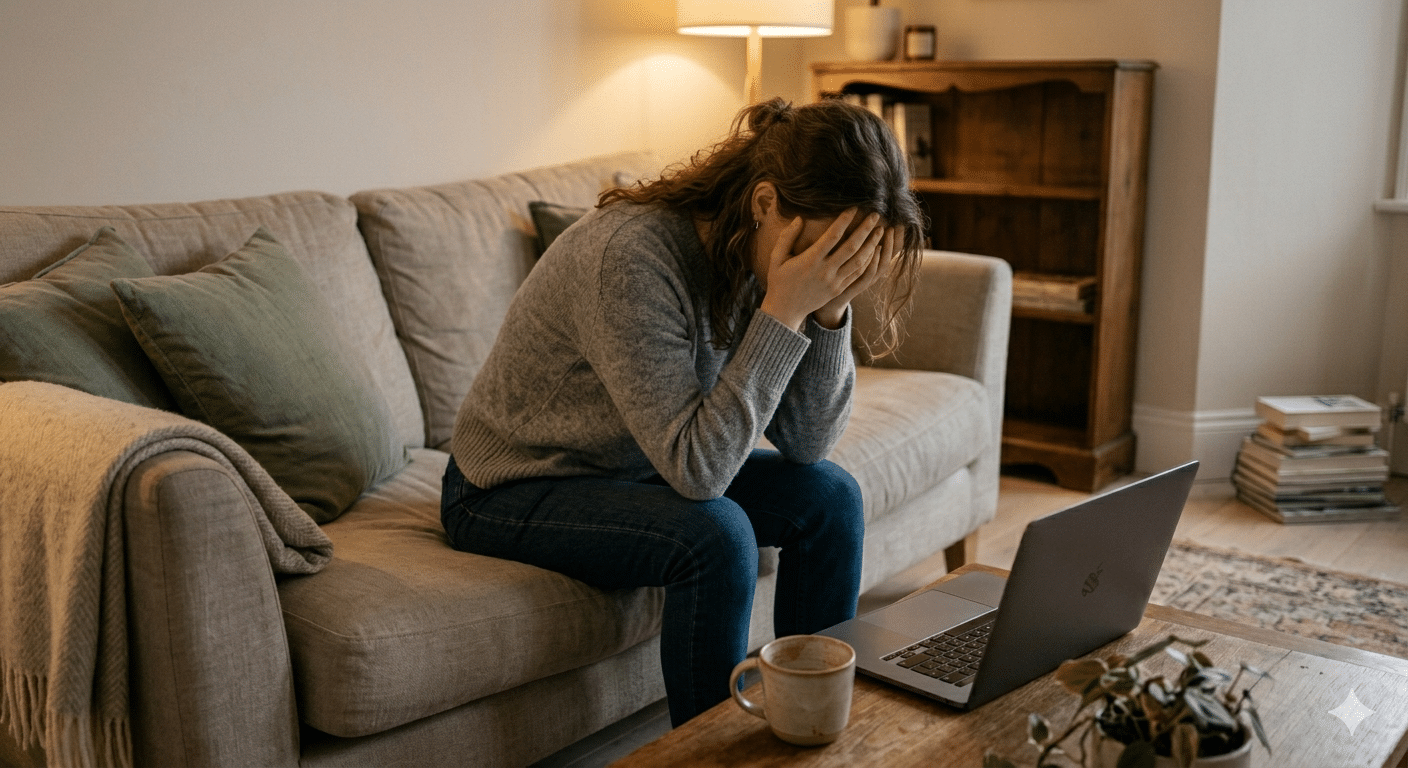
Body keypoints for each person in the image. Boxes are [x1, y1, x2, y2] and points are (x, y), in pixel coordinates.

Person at [440, 96, 926, 726]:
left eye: (857, 256)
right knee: (717, 534)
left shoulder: (763, 249)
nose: (837, 270)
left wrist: (827, 312)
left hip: (638, 462)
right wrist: (783, 311)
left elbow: (808, 443)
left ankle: (812, 722)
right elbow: (700, 475)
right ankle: (708, 754)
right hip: (510, 485)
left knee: (830, 496)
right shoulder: (630, 259)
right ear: (765, 204)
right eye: (831, 251)